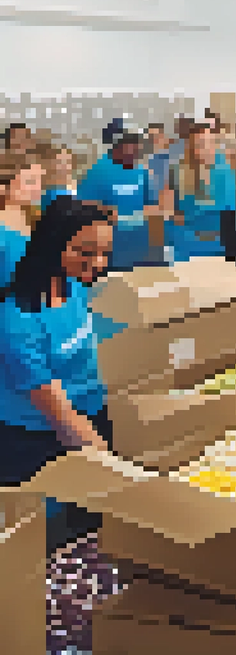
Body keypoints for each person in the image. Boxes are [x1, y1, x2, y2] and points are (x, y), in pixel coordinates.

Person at [0, 198, 117, 551]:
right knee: (42, 543)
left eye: (104, 252)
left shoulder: (74, 286)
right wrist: (119, 476)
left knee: (90, 532)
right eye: (84, 252)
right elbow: (60, 416)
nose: (97, 263)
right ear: (53, 244)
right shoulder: (18, 320)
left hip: (88, 418)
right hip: (36, 439)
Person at [78, 120, 158, 271]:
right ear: (117, 144)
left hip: (140, 250)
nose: (137, 147)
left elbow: (152, 207)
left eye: (138, 142)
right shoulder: (96, 173)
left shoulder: (142, 171)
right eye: (132, 142)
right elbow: (85, 212)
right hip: (111, 255)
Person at [167, 118, 236, 262]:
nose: (203, 149)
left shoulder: (225, 171)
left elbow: (225, 212)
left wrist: (191, 214)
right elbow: (173, 211)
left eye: (208, 144)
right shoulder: (180, 170)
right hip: (187, 239)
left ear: (215, 145)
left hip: (217, 240)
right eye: (198, 145)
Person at [0, 151, 45, 286]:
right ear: (3, 186)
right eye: (30, 181)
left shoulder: (34, 216)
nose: (37, 188)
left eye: (39, 181)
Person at [37, 143, 77, 212]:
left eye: (67, 162)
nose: (63, 166)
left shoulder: (80, 185)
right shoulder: (47, 189)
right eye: (60, 162)